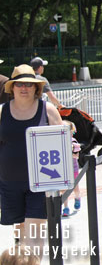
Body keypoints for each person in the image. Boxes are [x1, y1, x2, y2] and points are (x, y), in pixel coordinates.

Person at [0, 65, 63, 250]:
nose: (24, 88)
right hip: (9, 182)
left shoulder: (48, 110)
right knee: (19, 230)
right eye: (19, 84)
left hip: (41, 182)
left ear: (37, 87)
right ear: (12, 87)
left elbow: (62, 143)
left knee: (35, 229)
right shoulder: (2, 112)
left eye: (29, 84)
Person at [61, 121, 81, 218]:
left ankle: (77, 197)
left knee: (75, 188)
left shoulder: (73, 142)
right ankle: (66, 208)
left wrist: (68, 152)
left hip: (73, 169)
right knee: (64, 190)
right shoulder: (59, 141)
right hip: (63, 169)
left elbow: (76, 156)